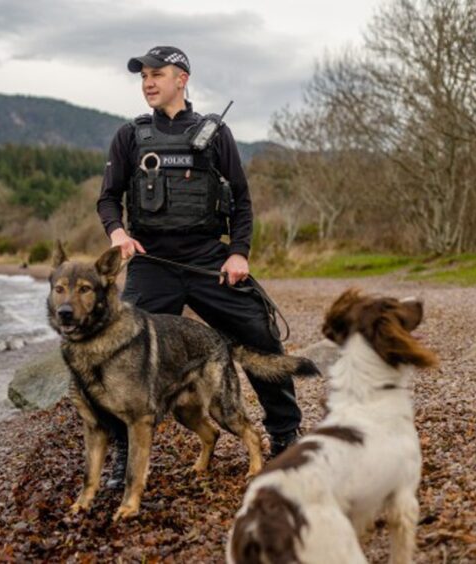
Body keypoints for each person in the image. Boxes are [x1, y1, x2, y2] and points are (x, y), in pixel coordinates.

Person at [97, 46, 302, 489]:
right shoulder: (130, 136)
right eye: (143, 76)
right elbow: (108, 198)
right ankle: (123, 457)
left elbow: (242, 201)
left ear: (182, 79)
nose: (148, 83)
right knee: (122, 355)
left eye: (157, 74)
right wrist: (118, 234)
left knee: (261, 336)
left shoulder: (216, 133)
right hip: (153, 263)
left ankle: (286, 435)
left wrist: (239, 253)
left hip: (211, 258)